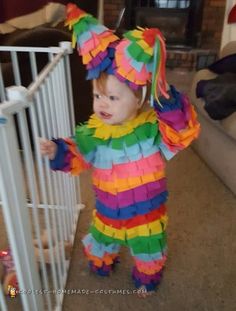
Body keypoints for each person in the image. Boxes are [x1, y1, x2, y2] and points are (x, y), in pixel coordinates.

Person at [40, 3, 200, 297]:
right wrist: (58, 150)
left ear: (138, 100)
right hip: (107, 210)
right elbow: (79, 152)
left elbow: (180, 132)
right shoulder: (94, 130)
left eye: (113, 97)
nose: (102, 104)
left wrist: (168, 102)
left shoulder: (151, 125)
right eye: (97, 95)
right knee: (102, 238)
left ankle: (146, 278)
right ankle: (102, 262)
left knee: (148, 247)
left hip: (147, 216)